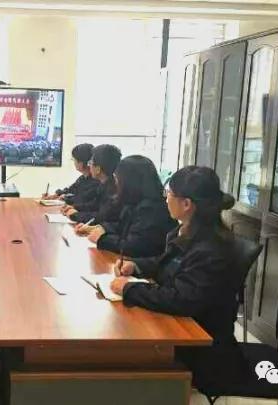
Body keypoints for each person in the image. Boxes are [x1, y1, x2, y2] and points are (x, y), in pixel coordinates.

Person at [110, 165, 246, 390]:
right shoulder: (184, 232)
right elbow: (166, 264)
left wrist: (130, 289)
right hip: (180, 329)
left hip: (201, 351)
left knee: (120, 355)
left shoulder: (211, 249)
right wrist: (136, 266)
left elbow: (181, 300)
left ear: (186, 204)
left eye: (169, 194)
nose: (165, 199)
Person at [77, 155, 177, 257]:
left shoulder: (152, 210)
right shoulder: (135, 202)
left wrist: (102, 239)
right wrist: (102, 228)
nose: (116, 183)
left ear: (130, 182)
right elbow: (122, 226)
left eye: (118, 179)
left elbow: (134, 247)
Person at [62, 144, 121, 224]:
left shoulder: (113, 191)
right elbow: (94, 205)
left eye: (90, 162)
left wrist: (76, 215)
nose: (89, 166)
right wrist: (75, 207)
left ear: (98, 169)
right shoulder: (104, 184)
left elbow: (102, 216)